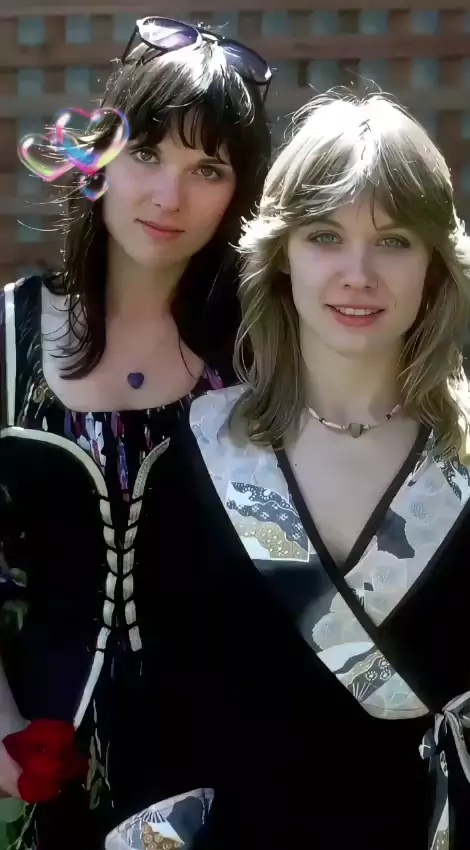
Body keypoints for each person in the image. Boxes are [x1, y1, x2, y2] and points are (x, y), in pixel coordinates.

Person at [0, 16, 271, 849]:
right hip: (37, 769)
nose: (168, 197)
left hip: (223, 775)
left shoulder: (260, 353)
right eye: (147, 153)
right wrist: (1, 734)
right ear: (100, 159)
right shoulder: (8, 334)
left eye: (208, 169)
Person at [188, 92, 470, 849]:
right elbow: (161, 706)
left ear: (434, 265)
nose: (358, 274)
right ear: (282, 254)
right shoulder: (200, 449)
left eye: (394, 241)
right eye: (324, 236)